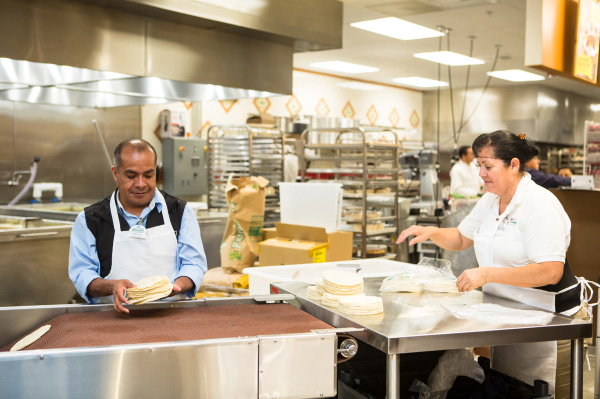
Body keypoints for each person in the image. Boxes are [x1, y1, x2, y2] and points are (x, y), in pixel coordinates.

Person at [396, 130, 583, 398]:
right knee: (507, 387)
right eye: (478, 166)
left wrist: (486, 274)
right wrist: (430, 232)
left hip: (547, 324)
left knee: (539, 391)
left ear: (514, 165)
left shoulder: (540, 205)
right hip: (507, 318)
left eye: (488, 166)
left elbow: (551, 271)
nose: (481, 173)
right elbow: (462, 237)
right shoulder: (490, 199)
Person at [69, 139, 207, 313]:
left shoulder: (180, 212)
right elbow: (82, 274)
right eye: (131, 176)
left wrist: (175, 287)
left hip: (172, 315)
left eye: (148, 175)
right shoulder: (91, 219)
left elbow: (194, 265)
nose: (141, 184)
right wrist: (112, 286)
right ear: (115, 173)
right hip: (112, 319)